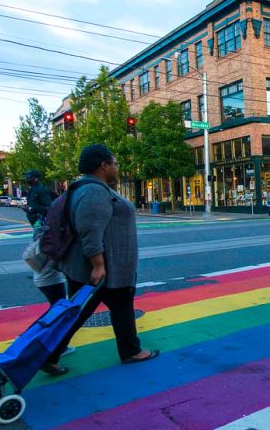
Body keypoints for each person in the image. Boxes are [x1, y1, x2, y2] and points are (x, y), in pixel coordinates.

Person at [42, 144, 159, 376]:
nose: (117, 167)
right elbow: (90, 230)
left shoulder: (89, 188)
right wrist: (98, 265)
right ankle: (130, 352)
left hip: (104, 267)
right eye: (114, 163)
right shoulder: (93, 191)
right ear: (103, 166)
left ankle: (50, 354)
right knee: (109, 307)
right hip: (104, 269)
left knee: (82, 312)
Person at [22, 169, 76, 357]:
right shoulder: (50, 235)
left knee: (56, 310)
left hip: (44, 276)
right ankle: (49, 346)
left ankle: (43, 343)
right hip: (49, 278)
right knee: (58, 311)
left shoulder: (42, 232)